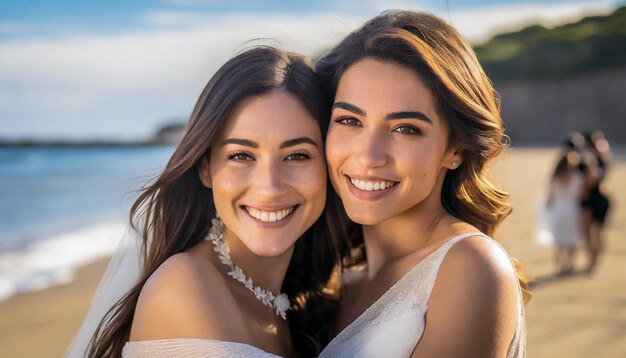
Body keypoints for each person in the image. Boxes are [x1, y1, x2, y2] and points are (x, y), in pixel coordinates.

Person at [67, 46, 343, 358]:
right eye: (240, 155)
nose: (269, 187)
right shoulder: (184, 285)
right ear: (205, 168)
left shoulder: (308, 295)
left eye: (297, 155)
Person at [316, 11, 529, 357]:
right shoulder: (341, 280)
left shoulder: (470, 266)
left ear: (455, 150)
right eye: (349, 120)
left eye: (405, 129)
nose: (369, 156)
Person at [546, 153, 584, 275]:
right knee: (572, 239)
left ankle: (560, 266)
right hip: (572, 209)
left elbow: (550, 198)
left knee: (559, 240)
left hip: (558, 209)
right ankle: (570, 264)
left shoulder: (554, 178)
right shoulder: (577, 177)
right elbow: (581, 195)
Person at [580, 131, 611, 274]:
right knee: (590, 232)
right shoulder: (590, 158)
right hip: (591, 198)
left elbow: (593, 180)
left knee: (596, 232)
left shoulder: (596, 159)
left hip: (595, 198)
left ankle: (594, 262)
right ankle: (592, 260)